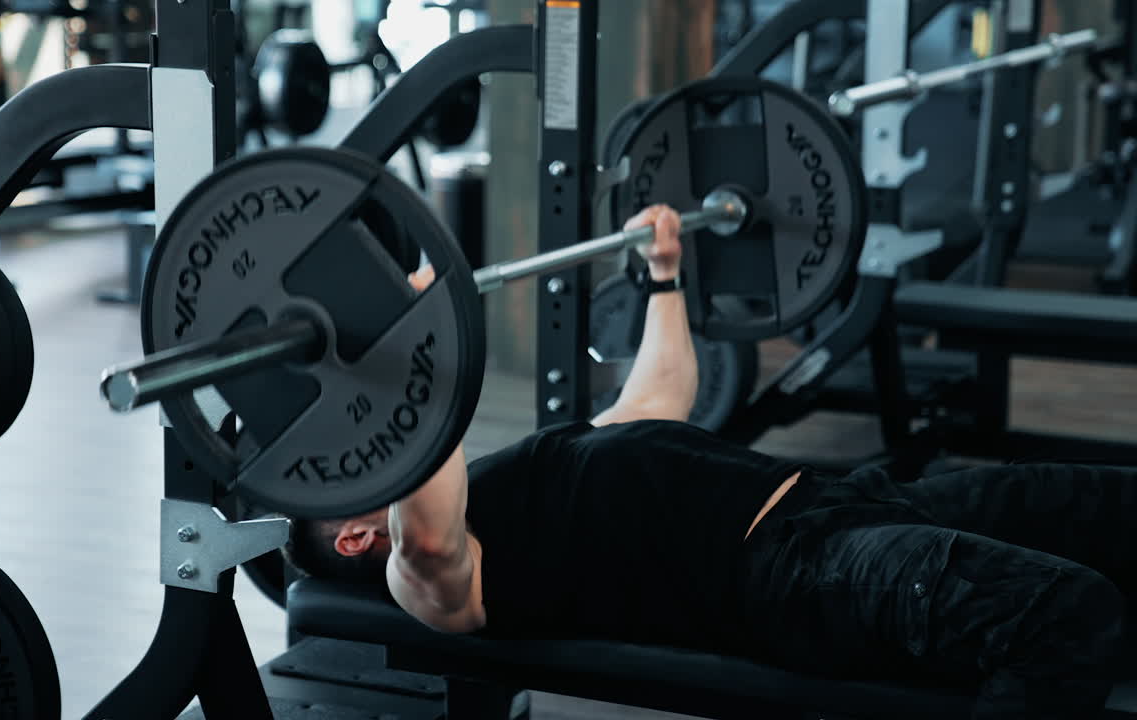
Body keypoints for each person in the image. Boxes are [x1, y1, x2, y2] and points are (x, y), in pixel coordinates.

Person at [284, 204, 1132, 719]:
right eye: (343, 479)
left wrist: (663, 275)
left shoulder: (525, 477)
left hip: (851, 503)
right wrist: (412, 350)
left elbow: (655, 403)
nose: (353, 459)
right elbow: (426, 528)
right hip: (802, 575)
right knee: (1063, 613)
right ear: (355, 538)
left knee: (1112, 507)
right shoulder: (424, 575)